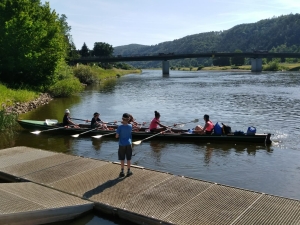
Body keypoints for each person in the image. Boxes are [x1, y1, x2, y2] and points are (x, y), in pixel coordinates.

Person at [116, 113, 133, 177]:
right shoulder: (130, 126)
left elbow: (117, 136)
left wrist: (118, 134)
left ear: (122, 118)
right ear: (128, 119)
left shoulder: (120, 127)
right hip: (129, 144)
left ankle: (122, 171)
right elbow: (127, 124)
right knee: (128, 158)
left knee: (122, 159)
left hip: (122, 145)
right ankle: (128, 171)